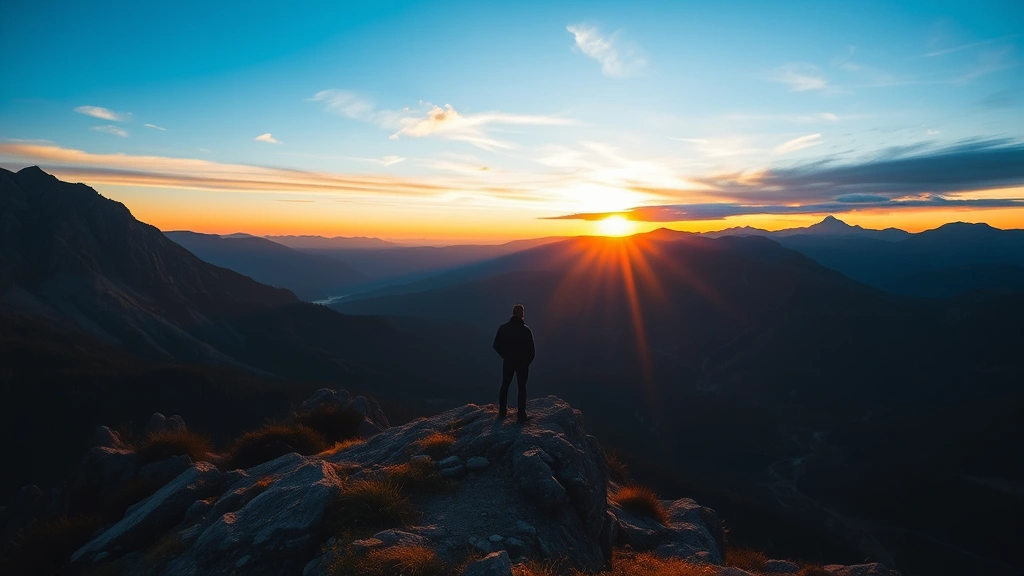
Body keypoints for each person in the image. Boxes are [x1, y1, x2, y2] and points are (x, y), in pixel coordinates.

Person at [492, 304, 536, 423]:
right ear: (522, 314)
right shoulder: (526, 330)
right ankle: (521, 414)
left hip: (508, 361)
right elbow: (532, 351)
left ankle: (502, 411)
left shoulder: (503, 328)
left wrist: (505, 356)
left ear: (512, 313)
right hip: (522, 363)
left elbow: (496, 345)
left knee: (505, 385)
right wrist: (526, 362)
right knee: (522, 387)